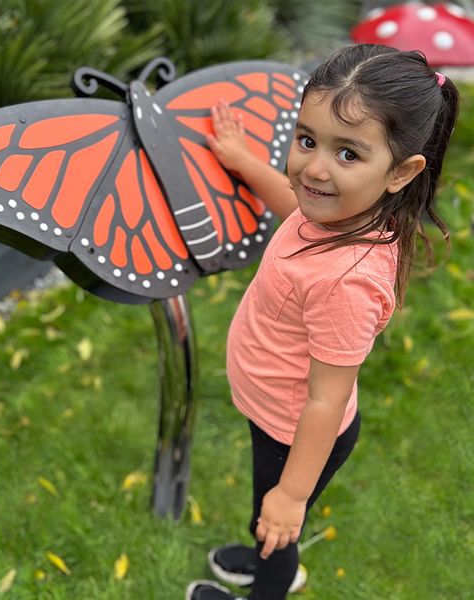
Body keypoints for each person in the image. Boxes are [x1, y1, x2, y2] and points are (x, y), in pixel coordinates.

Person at [186, 43, 459, 600]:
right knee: (269, 513)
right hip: (276, 415)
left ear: (401, 172)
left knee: (278, 522)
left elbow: (325, 400)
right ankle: (266, 543)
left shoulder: (347, 282)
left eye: (348, 154)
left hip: (296, 434)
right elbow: (293, 205)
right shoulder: (333, 214)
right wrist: (243, 162)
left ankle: (270, 581)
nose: (314, 168)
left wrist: (291, 494)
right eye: (308, 140)